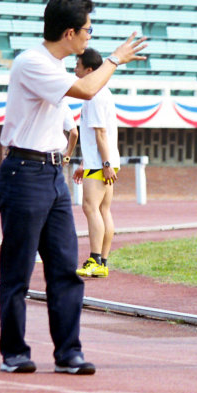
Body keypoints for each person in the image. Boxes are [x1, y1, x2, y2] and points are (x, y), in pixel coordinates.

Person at [0, 0, 146, 374]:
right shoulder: (33, 63)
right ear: (69, 34)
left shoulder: (54, 69)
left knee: (64, 266)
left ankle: (68, 352)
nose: (89, 36)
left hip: (50, 173)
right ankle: (15, 353)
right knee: (18, 270)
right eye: (88, 30)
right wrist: (115, 59)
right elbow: (89, 88)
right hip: (23, 172)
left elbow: (69, 126)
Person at [71, 48, 118, 279]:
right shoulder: (101, 93)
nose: (74, 68)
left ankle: (95, 259)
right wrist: (84, 162)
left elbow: (100, 134)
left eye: (78, 65)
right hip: (101, 161)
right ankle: (103, 262)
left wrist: (105, 163)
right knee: (102, 209)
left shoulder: (95, 95)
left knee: (90, 208)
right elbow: (95, 137)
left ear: (89, 70)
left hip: (101, 163)